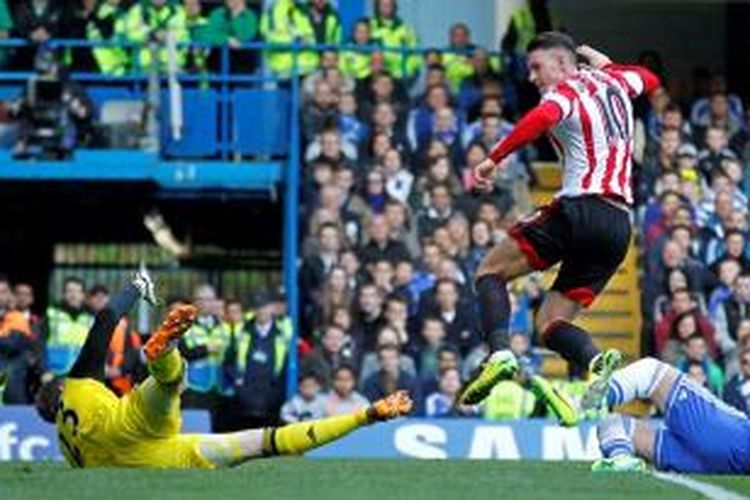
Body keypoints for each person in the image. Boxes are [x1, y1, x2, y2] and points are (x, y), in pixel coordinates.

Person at [33, 270, 413, 469]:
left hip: (150, 458)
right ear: (61, 387)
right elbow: (103, 320)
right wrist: (135, 286)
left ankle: (367, 415)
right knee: (169, 382)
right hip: (131, 424)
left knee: (264, 444)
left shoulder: (66, 447)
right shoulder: (77, 387)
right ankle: (164, 354)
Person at [461, 32, 660, 410]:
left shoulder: (565, 91)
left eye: (537, 68)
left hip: (581, 207)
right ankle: (597, 364)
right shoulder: (616, 81)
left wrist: (493, 159)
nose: (533, 78)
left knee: (489, 272)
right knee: (549, 325)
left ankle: (500, 354)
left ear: (563, 65)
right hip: (619, 227)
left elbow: (541, 118)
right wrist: (608, 63)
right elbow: (650, 80)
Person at [588, 356, 750, 473]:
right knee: (611, 424)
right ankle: (621, 458)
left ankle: (585, 401)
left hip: (736, 440)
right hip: (720, 464)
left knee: (650, 372)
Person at [43, 277, 94, 377]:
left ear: (83, 295)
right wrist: (43, 371)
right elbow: (38, 345)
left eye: (77, 291)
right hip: (54, 374)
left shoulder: (91, 318)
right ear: (63, 294)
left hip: (83, 375)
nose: (73, 295)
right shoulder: (51, 314)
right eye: (69, 291)